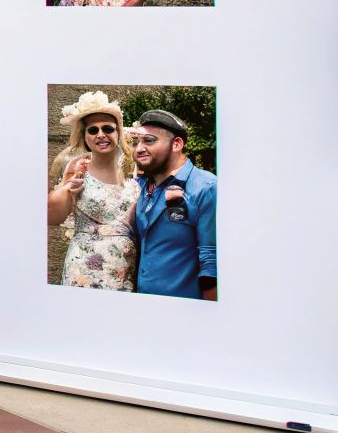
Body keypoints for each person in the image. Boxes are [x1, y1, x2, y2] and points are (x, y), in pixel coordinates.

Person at [47, 91, 138, 291]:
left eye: (107, 128)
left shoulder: (135, 171)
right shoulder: (76, 169)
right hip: (83, 269)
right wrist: (67, 190)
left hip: (124, 270)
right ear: (85, 136)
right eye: (93, 130)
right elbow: (53, 217)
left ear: (118, 133)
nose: (100, 135)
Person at [129, 109, 217, 300]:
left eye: (149, 140)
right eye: (136, 142)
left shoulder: (206, 186)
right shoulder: (138, 187)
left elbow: (211, 261)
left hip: (184, 308)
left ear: (176, 143)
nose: (139, 149)